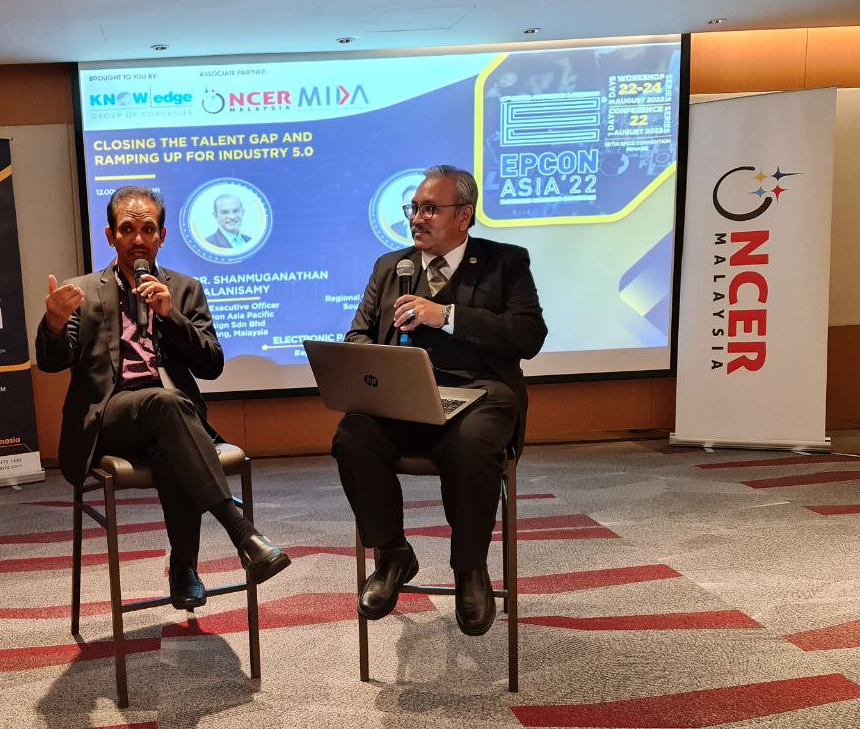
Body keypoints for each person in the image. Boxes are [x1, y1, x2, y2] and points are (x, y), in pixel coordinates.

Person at [36, 186, 288, 608]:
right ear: (110, 235)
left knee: (171, 438)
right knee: (165, 404)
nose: (138, 239)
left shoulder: (185, 290)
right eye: (127, 229)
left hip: (170, 420)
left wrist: (171, 317)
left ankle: (184, 567)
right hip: (108, 419)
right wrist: (55, 323)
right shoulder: (81, 291)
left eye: (148, 229)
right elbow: (51, 361)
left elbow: (211, 364)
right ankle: (241, 532)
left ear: (162, 235)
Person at [332, 166, 547, 635]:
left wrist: (447, 314)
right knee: (353, 434)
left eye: (431, 209)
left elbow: (529, 335)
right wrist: (376, 365)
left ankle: (469, 569)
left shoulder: (505, 262)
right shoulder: (391, 266)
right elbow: (358, 334)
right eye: (414, 208)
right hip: (405, 399)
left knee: (472, 446)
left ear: (464, 216)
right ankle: (393, 555)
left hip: (480, 395)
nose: (417, 218)